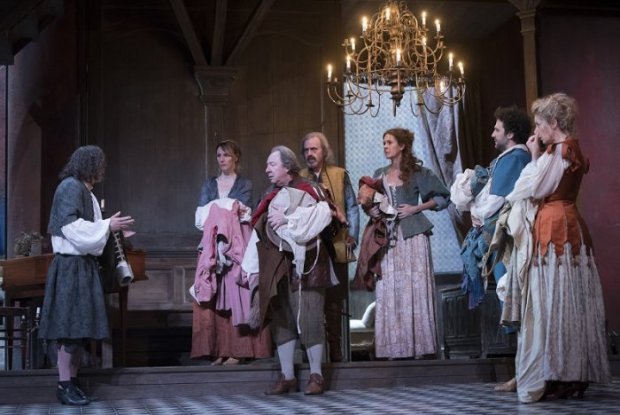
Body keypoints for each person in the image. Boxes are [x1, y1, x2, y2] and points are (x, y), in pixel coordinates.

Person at [505, 93, 610, 402]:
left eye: (539, 124)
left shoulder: (560, 150)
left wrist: (534, 155)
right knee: (562, 299)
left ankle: (565, 373)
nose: (536, 131)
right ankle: (563, 373)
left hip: (556, 228)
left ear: (553, 123)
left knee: (554, 301)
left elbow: (532, 187)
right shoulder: (566, 149)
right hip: (565, 222)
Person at [38, 145, 134, 406]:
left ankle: (72, 382)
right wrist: (107, 225)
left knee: (80, 328)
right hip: (71, 267)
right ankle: (64, 385)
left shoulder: (85, 192)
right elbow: (72, 228)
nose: (102, 170)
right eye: (99, 164)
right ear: (89, 164)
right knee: (69, 327)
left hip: (83, 266)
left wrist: (109, 229)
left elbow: (90, 230)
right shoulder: (70, 187)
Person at [243, 145, 344, 395]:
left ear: (287, 166)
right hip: (278, 264)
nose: (267, 169)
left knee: (310, 316)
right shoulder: (269, 194)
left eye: (272, 164)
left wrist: (289, 219)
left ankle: (316, 375)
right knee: (282, 319)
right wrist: (252, 267)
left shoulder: (310, 188)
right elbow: (261, 229)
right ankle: (287, 376)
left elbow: (325, 215)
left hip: (309, 264)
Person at [364, 128, 450, 359]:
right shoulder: (379, 174)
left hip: (413, 237)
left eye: (389, 142)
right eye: (384, 142)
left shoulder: (418, 172)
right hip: (387, 237)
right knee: (390, 288)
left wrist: (416, 208)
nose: (385, 146)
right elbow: (371, 205)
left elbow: (443, 197)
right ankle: (394, 348)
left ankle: (420, 348)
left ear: (402, 146)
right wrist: (373, 210)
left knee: (415, 287)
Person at [191, 140, 271, 365]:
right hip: (213, 242)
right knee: (215, 296)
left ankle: (239, 350)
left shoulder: (244, 183)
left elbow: (243, 213)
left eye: (226, 155)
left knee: (237, 295)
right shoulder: (209, 185)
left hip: (237, 243)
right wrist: (222, 209)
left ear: (236, 157)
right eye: (219, 155)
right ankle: (220, 349)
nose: (222, 159)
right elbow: (200, 216)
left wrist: (218, 209)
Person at [299, 132, 360, 362]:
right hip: (310, 248)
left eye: (314, 149)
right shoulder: (299, 177)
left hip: (336, 245)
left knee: (334, 301)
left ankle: (335, 350)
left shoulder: (339, 174)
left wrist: (353, 235)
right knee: (310, 300)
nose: (310, 154)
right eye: (306, 150)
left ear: (324, 151)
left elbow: (352, 207)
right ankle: (312, 354)